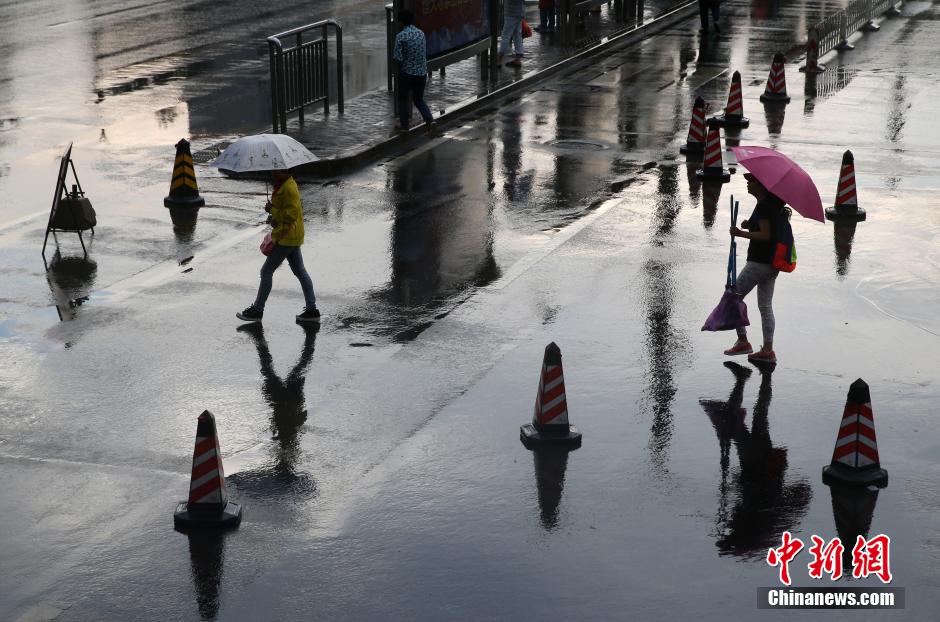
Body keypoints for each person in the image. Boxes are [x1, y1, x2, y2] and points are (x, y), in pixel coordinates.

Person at [237, 169, 320, 324]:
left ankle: (257, 309)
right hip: (291, 234)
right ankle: (312, 309)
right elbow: (285, 213)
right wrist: (274, 217)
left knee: (266, 271)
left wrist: (272, 210)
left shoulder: (288, 188)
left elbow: (291, 215)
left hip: (287, 237)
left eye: (278, 170)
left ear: (287, 171)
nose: (275, 172)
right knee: (300, 271)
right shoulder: (284, 185)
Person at [725, 172, 789, 364]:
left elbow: (765, 235)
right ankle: (768, 350)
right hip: (771, 265)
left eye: (751, 180)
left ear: (761, 185)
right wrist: (750, 224)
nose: (748, 183)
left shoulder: (763, 206)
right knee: (765, 306)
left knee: (733, 297)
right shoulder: (772, 205)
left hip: (758, 262)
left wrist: (741, 233)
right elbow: (765, 228)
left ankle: (743, 341)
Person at [392, 9, 434, 133]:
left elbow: (397, 58)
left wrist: (399, 72)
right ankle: (430, 120)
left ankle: (404, 126)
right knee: (419, 99)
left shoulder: (400, 36)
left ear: (401, 22)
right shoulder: (421, 33)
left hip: (407, 73)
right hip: (422, 72)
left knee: (403, 98)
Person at [498, 0, 527, 68]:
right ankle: (518, 60)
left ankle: (499, 60)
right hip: (520, 11)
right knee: (517, 36)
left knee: (506, 36)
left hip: (511, 12)